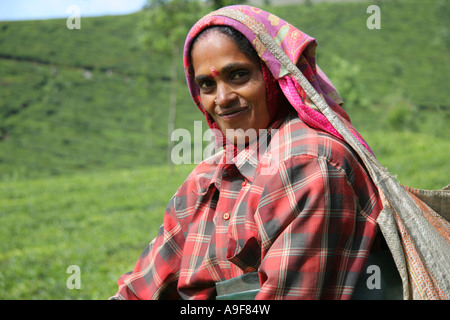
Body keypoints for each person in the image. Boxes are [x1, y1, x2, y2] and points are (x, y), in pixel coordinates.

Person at [111, 5, 385, 300]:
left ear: (273, 76)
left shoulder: (309, 164)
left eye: (239, 75)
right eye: (207, 84)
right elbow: (138, 290)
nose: (223, 98)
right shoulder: (207, 179)